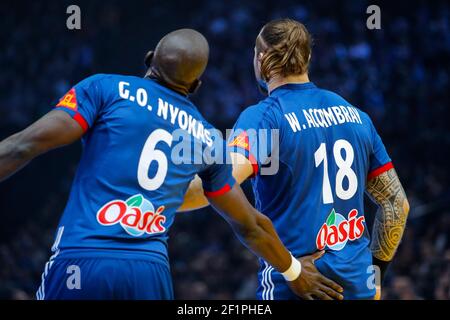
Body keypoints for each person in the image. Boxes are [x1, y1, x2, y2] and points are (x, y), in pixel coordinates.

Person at [0, 28, 343, 300]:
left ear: (149, 58)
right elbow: (250, 224)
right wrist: (295, 272)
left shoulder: (105, 89)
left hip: (83, 259)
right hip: (149, 275)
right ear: (195, 85)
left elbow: (23, 145)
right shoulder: (209, 138)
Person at [180, 19, 410, 300]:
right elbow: (396, 204)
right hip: (356, 288)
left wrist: (154, 197)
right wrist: (375, 275)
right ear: (308, 58)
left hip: (297, 286)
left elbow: (221, 182)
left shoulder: (265, 117)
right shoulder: (356, 116)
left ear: (260, 59)